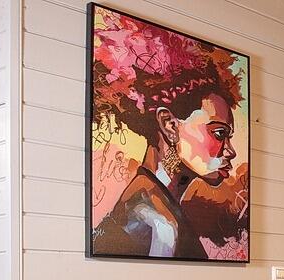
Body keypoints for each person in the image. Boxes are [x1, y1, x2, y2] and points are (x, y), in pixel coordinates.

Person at [89, 9, 246, 259]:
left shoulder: (153, 206)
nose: (231, 150)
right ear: (170, 125)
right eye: (219, 133)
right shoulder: (159, 223)